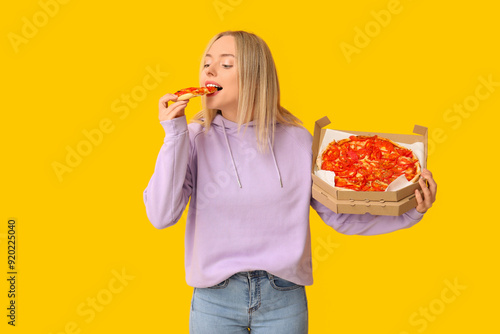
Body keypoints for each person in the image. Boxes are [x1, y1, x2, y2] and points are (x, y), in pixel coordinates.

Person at [143, 30, 437, 334]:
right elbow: (161, 215)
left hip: (283, 299)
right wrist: (174, 133)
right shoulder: (192, 139)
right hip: (214, 300)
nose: (210, 70)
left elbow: (339, 215)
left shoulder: (298, 141)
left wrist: (410, 210)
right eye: (207, 63)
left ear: (256, 76)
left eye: (226, 64)